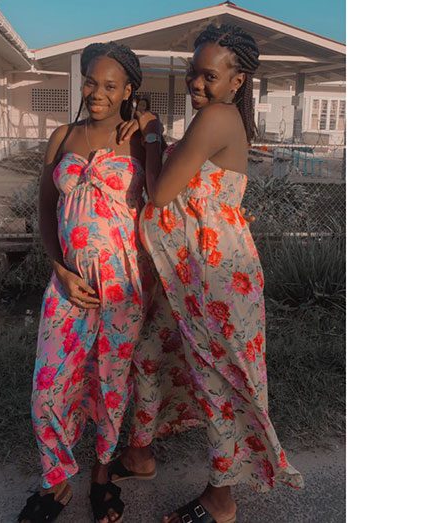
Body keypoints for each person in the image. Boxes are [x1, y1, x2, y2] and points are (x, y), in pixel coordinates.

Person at [115, 24, 305, 523]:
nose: (197, 84)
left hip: (218, 278)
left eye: (209, 75)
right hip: (192, 276)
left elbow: (159, 193)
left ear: (236, 81)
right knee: (152, 349)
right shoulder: (213, 117)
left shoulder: (217, 117)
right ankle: (139, 453)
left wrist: (154, 135)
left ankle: (221, 498)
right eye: (193, 74)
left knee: (220, 380)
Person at [18, 41, 149, 523]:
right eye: (91, 81)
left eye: (109, 85)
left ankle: (101, 478)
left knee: (110, 387)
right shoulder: (62, 136)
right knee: (49, 389)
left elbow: (160, 208)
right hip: (69, 287)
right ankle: (55, 483)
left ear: (127, 90)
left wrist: (151, 128)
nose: (96, 92)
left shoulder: (139, 141)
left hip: (122, 290)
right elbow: (46, 213)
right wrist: (60, 268)